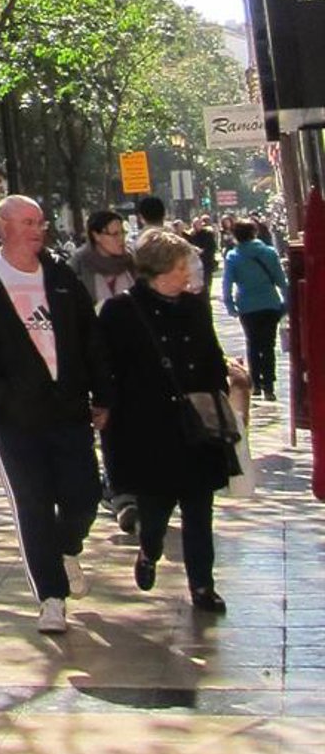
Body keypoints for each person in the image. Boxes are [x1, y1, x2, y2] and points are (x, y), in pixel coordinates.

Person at [0, 194, 108, 636]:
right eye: (28, 222)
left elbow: (90, 338)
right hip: (14, 419)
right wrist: (2, 393)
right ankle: (51, 598)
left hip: (68, 410)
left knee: (84, 496)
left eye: (40, 222)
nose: (39, 230)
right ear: (3, 227)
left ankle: (66, 547)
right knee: (33, 505)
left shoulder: (60, 275)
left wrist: (103, 394)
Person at [100, 229, 247, 615]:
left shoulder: (194, 307)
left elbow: (211, 356)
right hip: (149, 428)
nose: (188, 273)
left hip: (196, 426)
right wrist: (103, 409)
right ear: (161, 270)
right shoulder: (120, 312)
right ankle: (149, 550)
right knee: (156, 509)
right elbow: (105, 369)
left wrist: (222, 392)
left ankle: (202, 585)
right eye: (182, 267)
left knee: (199, 508)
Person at [221, 218, 291, 401]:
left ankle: (256, 384)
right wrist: (287, 302)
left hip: (246, 306)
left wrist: (230, 305)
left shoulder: (233, 257)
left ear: (235, 235)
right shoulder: (269, 253)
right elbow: (281, 280)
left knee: (252, 343)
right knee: (268, 344)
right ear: (255, 232)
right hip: (270, 303)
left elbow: (227, 284)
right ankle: (269, 385)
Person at [70, 209, 136, 311]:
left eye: (123, 232)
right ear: (96, 236)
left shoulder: (131, 262)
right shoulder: (79, 265)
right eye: (115, 234)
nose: (121, 238)